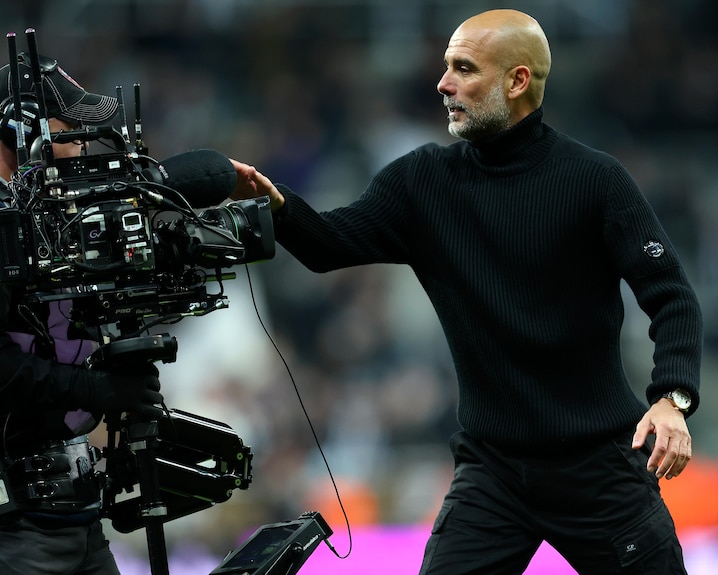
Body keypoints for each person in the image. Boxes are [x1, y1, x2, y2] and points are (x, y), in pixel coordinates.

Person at [230, 9, 702, 575]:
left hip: (598, 467)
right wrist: (275, 203)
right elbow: (329, 244)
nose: (442, 83)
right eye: (445, 66)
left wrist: (673, 398)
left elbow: (671, 294)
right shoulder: (423, 181)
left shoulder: (594, 181)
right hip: (494, 471)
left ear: (517, 81)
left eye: (463, 68)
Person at [0, 51, 164, 574]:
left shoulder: (25, 217)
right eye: (72, 131)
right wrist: (91, 389)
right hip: (6, 520)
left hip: (63, 511)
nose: (84, 147)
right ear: (22, 130)